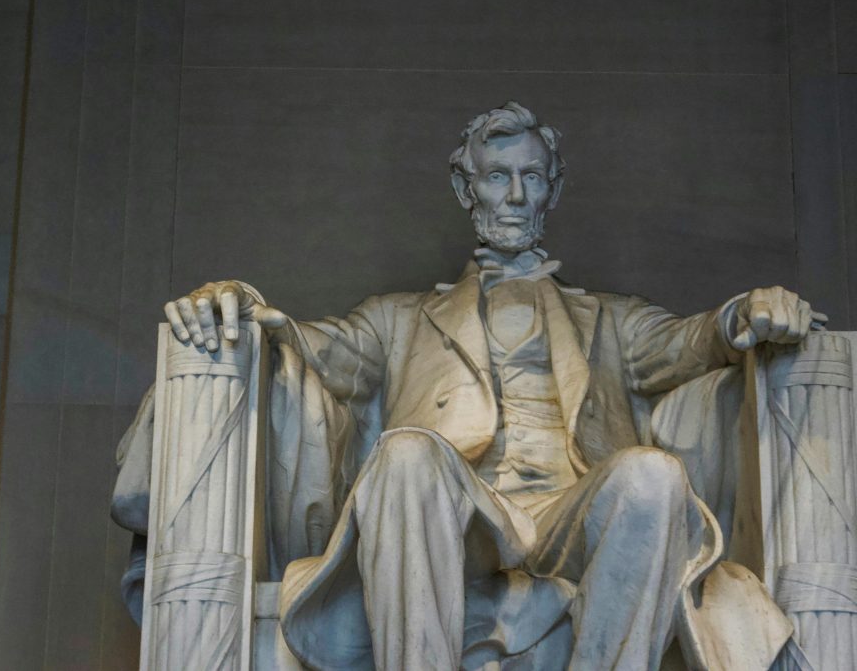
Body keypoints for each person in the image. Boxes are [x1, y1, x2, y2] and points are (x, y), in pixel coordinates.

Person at [160, 102, 823, 670]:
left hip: (572, 513)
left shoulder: (611, 320)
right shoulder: (398, 319)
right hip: (460, 517)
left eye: (530, 177)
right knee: (406, 452)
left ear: (553, 189)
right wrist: (240, 305)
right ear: (465, 188)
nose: (513, 195)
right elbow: (309, 344)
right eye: (497, 176)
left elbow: (692, 339)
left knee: (653, 476)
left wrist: (746, 312)